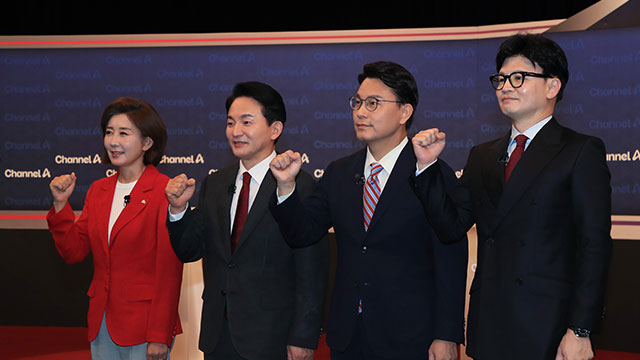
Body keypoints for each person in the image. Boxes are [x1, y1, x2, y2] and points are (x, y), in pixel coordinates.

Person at [411, 33, 612, 360]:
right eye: (501, 79)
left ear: (552, 86)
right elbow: (450, 226)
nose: (505, 87)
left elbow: (595, 247)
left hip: (549, 325)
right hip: (490, 323)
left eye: (518, 78)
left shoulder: (579, 151)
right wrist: (426, 167)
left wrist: (580, 329)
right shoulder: (482, 155)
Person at [269, 61, 468, 360]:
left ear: (405, 112)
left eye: (373, 103)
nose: (361, 112)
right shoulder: (339, 172)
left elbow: (450, 257)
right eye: (358, 102)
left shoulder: (430, 173)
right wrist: (286, 187)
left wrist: (446, 335)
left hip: (411, 337)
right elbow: (303, 233)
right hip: (348, 335)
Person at [165, 81, 329, 360]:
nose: (235, 131)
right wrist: (178, 210)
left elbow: (311, 272)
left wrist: (303, 336)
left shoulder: (300, 186)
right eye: (230, 123)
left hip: (273, 336)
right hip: (219, 335)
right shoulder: (216, 183)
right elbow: (189, 250)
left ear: (275, 129)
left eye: (246, 122)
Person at [47, 97, 183, 360]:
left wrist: (159, 335)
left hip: (144, 329)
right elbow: (73, 252)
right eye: (109, 132)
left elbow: (168, 271)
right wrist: (61, 205)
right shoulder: (99, 191)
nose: (113, 141)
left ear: (147, 142)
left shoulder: (163, 191)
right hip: (102, 324)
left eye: (124, 133)